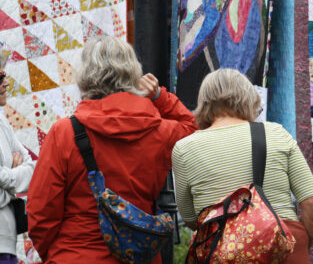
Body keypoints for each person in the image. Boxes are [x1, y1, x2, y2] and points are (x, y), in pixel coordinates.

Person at [27, 36, 198, 263]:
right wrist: (160, 97)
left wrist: (56, 254)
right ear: (133, 75)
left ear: (86, 76)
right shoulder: (160, 132)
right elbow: (193, 130)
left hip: (74, 255)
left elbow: (41, 213)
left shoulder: (64, 133)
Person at [172, 68, 313, 263]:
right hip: (286, 247)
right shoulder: (276, 134)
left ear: (204, 104)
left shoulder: (184, 149)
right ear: (249, 99)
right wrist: (300, 243)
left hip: (223, 251)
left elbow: (192, 219)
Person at [0, 53, 36, 264]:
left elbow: (31, 165)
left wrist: (7, 179)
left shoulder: (2, 121)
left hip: (7, 239)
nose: (6, 82)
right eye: (0, 76)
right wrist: (12, 184)